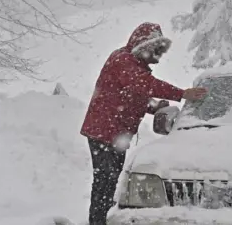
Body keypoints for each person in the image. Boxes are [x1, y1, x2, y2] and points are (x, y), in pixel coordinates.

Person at [80, 22, 207, 225]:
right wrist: (182, 94)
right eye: (154, 50)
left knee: (109, 181)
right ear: (144, 46)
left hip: (113, 132)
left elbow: (133, 95)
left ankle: (100, 219)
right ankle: (97, 221)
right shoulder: (123, 60)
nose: (156, 56)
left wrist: (155, 107)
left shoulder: (133, 65)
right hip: (104, 131)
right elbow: (144, 85)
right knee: (105, 181)